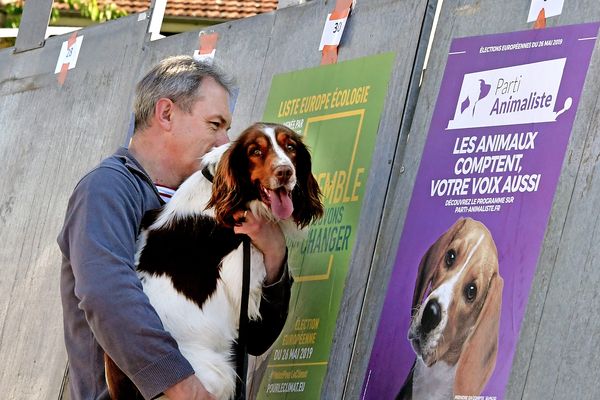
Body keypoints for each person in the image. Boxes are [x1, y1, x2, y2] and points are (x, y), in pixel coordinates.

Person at [58, 56, 292, 400]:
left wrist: (274, 253)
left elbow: (257, 336)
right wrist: (183, 385)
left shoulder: (219, 203)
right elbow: (107, 295)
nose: (225, 142)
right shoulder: (108, 190)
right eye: (215, 125)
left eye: (228, 128)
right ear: (166, 114)